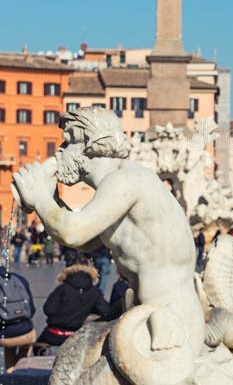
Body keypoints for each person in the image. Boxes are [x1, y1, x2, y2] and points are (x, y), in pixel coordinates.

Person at [12, 106, 205, 356]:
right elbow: (84, 241)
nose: (60, 151)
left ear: (93, 142)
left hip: (169, 325)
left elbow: (73, 233)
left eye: (68, 141)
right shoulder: (118, 183)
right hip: (152, 316)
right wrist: (49, 200)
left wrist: (40, 198)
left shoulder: (124, 181)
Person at [36, 264, 110, 348]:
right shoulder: (94, 292)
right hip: (75, 337)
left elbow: (48, 310)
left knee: (36, 347)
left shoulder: (62, 289)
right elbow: (105, 311)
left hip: (53, 335)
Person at [0, 266, 36, 370]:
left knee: (9, 347)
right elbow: (31, 310)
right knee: (26, 341)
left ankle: (10, 372)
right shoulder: (19, 279)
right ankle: (22, 366)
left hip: (3, 336)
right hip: (25, 333)